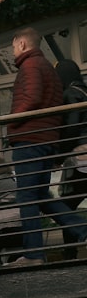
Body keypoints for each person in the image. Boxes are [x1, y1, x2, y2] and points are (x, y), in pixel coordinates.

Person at [5, 28, 87, 266]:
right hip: (45, 142)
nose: (12, 51)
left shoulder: (30, 67)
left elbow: (31, 98)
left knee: (27, 197)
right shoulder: (47, 69)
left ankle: (33, 255)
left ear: (21, 44)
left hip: (30, 140)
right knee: (41, 196)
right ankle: (82, 230)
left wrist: (10, 121)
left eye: (12, 46)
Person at [55, 59, 87, 214]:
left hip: (81, 158)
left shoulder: (70, 93)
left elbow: (71, 128)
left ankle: (78, 233)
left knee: (67, 204)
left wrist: (58, 156)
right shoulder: (84, 92)